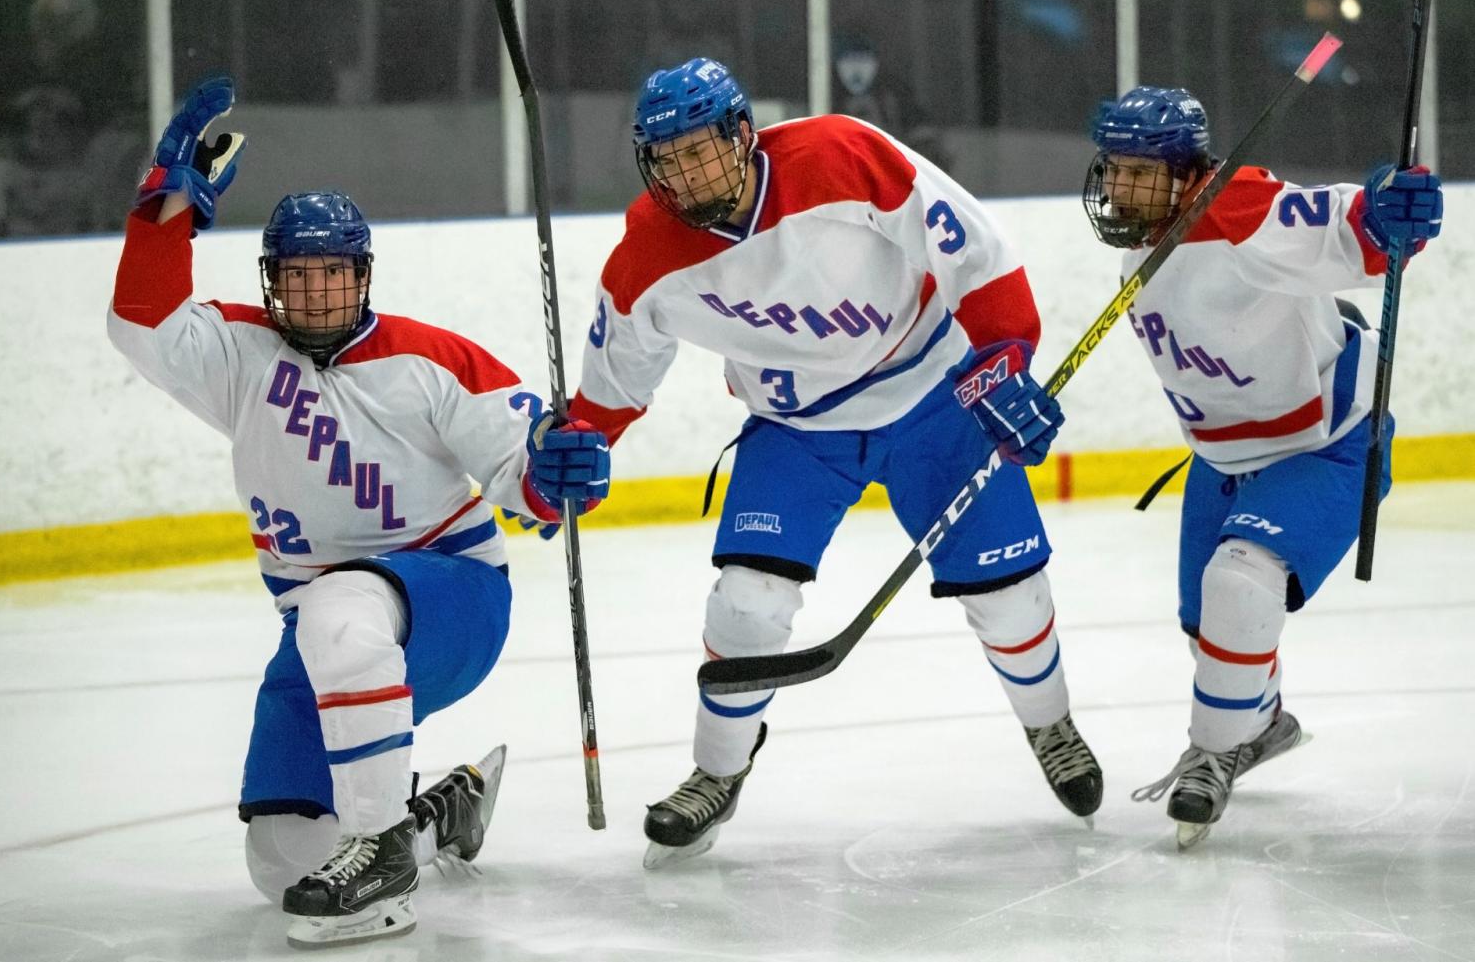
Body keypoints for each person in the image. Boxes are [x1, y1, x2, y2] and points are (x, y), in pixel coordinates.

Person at [108, 77, 611, 947]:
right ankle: (431, 818)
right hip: (319, 631)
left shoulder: (429, 360)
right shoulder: (240, 355)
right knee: (281, 859)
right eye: (294, 277)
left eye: (330, 274)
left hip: (454, 602)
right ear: (269, 281)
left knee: (344, 604)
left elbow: (522, 477)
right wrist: (167, 210)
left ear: (362, 273)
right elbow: (140, 325)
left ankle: (378, 855)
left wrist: (560, 471)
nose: (311, 294)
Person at [566, 57, 1102, 868]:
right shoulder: (648, 252)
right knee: (746, 603)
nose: (684, 172)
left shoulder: (840, 155)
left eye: (699, 150)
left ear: (742, 135)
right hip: (796, 428)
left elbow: (973, 248)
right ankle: (715, 773)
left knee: (1010, 594)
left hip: (931, 392)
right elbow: (611, 386)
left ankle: (1050, 723)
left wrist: (1003, 358)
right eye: (665, 158)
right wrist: (568, 460)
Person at [1081, 86, 1443, 848]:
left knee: (1240, 580)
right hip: (1221, 457)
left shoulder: (1234, 209)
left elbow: (1340, 228)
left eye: (1137, 171)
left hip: (1326, 443)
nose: (1116, 186)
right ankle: (1263, 721)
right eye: (1112, 166)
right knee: (1209, 629)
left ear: (1184, 172)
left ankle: (1212, 757)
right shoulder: (1149, 239)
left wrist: (1381, 217)